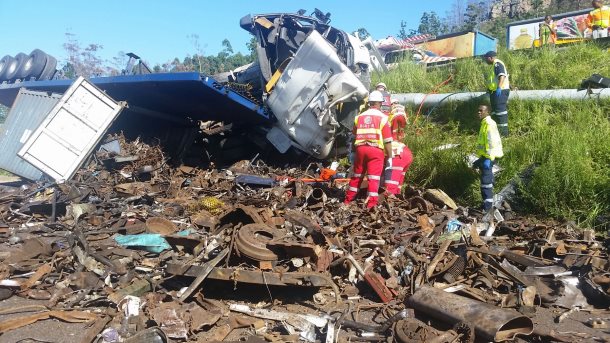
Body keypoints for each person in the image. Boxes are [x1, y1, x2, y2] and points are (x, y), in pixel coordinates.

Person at [345, 90, 393, 208]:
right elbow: (387, 141)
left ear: (369, 103)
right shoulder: (383, 118)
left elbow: (354, 133)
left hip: (360, 149)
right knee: (374, 178)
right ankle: (371, 204)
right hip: (375, 151)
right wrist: (390, 156)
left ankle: (347, 200)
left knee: (357, 175)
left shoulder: (359, 117)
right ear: (380, 103)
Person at [473, 105, 503, 212]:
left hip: (489, 156)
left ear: (487, 112)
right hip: (485, 156)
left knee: (486, 183)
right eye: (478, 110)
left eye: (481, 111)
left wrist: (489, 159)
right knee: (485, 180)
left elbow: (491, 142)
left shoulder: (489, 124)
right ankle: (488, 203)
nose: (479, 113)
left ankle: (488, 209)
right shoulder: (484, 123)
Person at [383, 102, 413, 196]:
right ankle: (396, 198)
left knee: (389, 186)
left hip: (396, 153)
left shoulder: (387, 118)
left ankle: (390, 202)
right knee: (398, 184)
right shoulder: (401, 119)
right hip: (404, 151)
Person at [483, 51, 510, 137]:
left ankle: (504, 134)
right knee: (495, 112)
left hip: (500, 91)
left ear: (490, 57)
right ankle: (497, 133)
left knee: (500, 112)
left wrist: (499, 87)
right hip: (494, 92)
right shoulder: (494, 65)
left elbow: (502, 76)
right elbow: (494, 80)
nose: (485, 61)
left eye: (486, 59)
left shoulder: (497, 64)